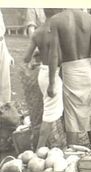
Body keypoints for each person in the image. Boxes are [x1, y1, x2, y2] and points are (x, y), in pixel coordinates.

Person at [48, 9, 91, 146]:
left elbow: (54, 54)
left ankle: (72, 156)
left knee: (72, 118)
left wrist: (51, 83)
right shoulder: (90, 19)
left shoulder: (57, 20)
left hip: (70, 72)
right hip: (88, 70)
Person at [24, 8, 63, 149]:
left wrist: (36, 60)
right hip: (51, 75)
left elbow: (26, 57)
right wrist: (52, 83)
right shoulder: (53, 32)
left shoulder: (37, 32)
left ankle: (56, 143)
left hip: (42, 72)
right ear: (58, 13)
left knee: (52, 112)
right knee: (49, 115)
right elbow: (54, 58)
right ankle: (39, 149)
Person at [0, 10, 14, 104]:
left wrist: (8, 54)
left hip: (1, 45)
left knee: (4, 80)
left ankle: (4, 109)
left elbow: (2, 36)